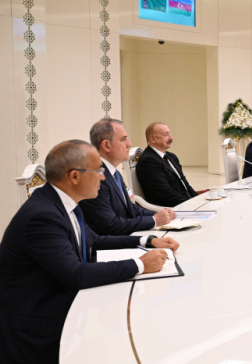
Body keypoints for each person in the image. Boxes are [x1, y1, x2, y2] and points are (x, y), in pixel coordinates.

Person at [0, 140, 179, 363]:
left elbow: (95, 240)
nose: (103, 178)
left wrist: (148, 240)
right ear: (74, 176)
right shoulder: (43, 216)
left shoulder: (62, 203)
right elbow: (76, 274)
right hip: (35, 329)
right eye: (98, 171)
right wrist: (140, 264)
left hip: (61, 309)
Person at [80, 119, 176, 235]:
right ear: (106, 145)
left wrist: (161, 214)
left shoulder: (114, 173)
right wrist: (154, 220)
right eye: (123, 139)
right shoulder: (96, 178)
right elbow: (111, 226)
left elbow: (130, 209)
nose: (129, 144)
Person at [136, 122, 198, 207]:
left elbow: (185, 184)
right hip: (170, 209)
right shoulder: (148, 162)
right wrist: (191, 205)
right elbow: (166, 194)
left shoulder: (171, 156)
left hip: (184, 203)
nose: (171, 138)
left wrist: (198, 200)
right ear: (153, 139)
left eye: (170, 133)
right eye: (166, 134)